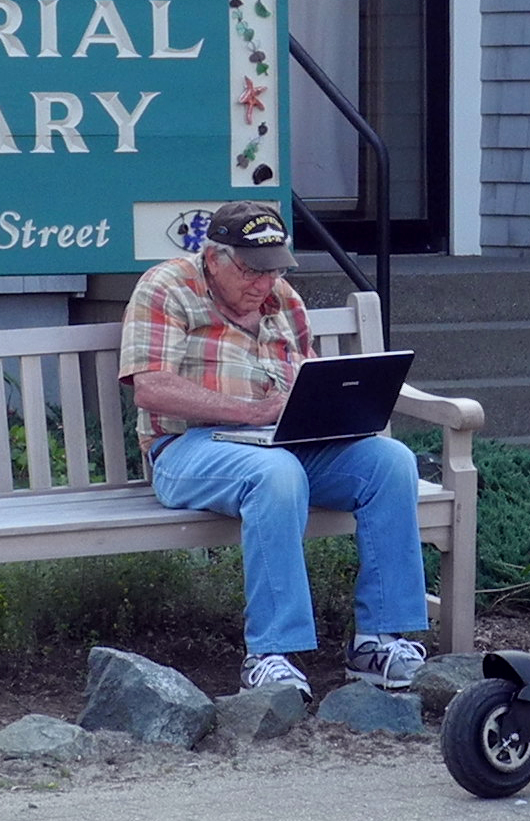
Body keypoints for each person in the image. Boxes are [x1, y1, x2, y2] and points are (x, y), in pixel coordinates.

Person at [119, 204, 429, 693]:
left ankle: (376, 642)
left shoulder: (283, 298)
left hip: (279, 442)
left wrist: (331, 411)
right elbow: (151, 388)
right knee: (276, 473)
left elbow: (307, 377)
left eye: (275, 268)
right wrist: (251, 411)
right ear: (214, 256)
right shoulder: (166, 288)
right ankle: (270, 654)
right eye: (251, 269)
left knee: (390, 462)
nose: (264, 283)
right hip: (187, 447)